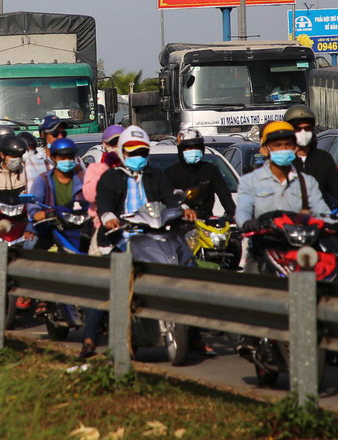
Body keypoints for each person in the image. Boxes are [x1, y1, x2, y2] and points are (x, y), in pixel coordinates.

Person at [82, 126, 180, 359]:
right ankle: (89, 339)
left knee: (184, 272)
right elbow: (103, 202)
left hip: (153, 239)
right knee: (107, 285)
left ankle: (193, 337)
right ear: (121, 151)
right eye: (131, 151)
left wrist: (183, 209)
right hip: (119, 239)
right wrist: (108, 217)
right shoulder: (108, 175)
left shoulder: (156, 175)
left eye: (142, 152)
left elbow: (170, 198)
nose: (137, 156)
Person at [234, 121, 330, 229]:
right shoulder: (249, 181)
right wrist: (247, 222)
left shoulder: (307, 182)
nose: (283, 149)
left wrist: (335, 224)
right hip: (262, 241)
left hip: (299, 240)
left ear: (295, 148)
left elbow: (322, 212)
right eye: (277, 145)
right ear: (265, 149)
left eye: (288, 144)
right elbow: (243, 211)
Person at [285, 104, 338, 208]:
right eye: (298, 129)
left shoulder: (324, 159)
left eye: (307, 128)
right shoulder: (282, 160)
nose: (303, 133)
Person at [163, 128, 235, 220]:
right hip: (179, 222)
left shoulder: (210, 170)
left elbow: (224, 195)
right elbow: (166, 198)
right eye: (189, 148)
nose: (194, 151)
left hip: (206, 222)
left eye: (197, 147)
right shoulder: (171, 172)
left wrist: (234, 214)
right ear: (181, 150)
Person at [28, 136, 87, 212]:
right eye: (63, 158)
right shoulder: (43, 180)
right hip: (52, 221)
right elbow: (34, 204)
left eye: (70, 157)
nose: (67, 160)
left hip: (79, 220)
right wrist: (37, 212)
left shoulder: (82, 178)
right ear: (53, 158)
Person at [81, 124, 124, 209]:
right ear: (105, 144)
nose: (118, 146)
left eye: (122, 142)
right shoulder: (94, 168)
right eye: (114, 142)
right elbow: (91, 196)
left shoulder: (131, 166)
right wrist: (106, 166)